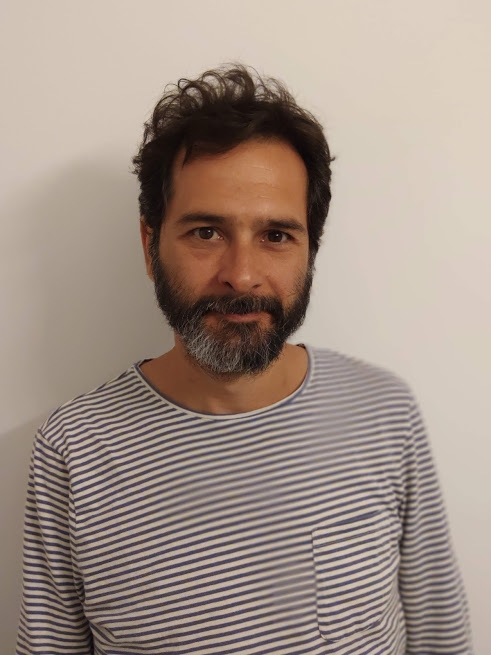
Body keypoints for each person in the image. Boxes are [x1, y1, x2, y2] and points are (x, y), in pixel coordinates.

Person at [17, 65, 472, 655]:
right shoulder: (74, 450)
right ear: (150, 246)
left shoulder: (383, 412)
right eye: (206, 232)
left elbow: (440, 633)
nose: (243, 275)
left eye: (276, 235)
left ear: (311, 250)